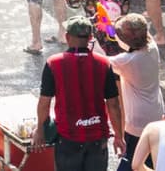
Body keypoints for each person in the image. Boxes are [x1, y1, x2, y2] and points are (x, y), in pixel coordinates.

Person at [31, 16, 124, 171]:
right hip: (97, 139)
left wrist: (40, 130)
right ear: (90, 38)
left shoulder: (53, 63)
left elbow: (44, 102)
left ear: (67, 37)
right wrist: (119, 136)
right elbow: (113, 104)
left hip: (68, 140)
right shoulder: (103, 63)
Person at [110, 14, 163, 171]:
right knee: (151, 159)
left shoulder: (127, 60)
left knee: (131, 160)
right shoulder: (153, 47)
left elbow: (99, 62)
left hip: (137, 121)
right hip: (156, 113)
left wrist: (104, 30)